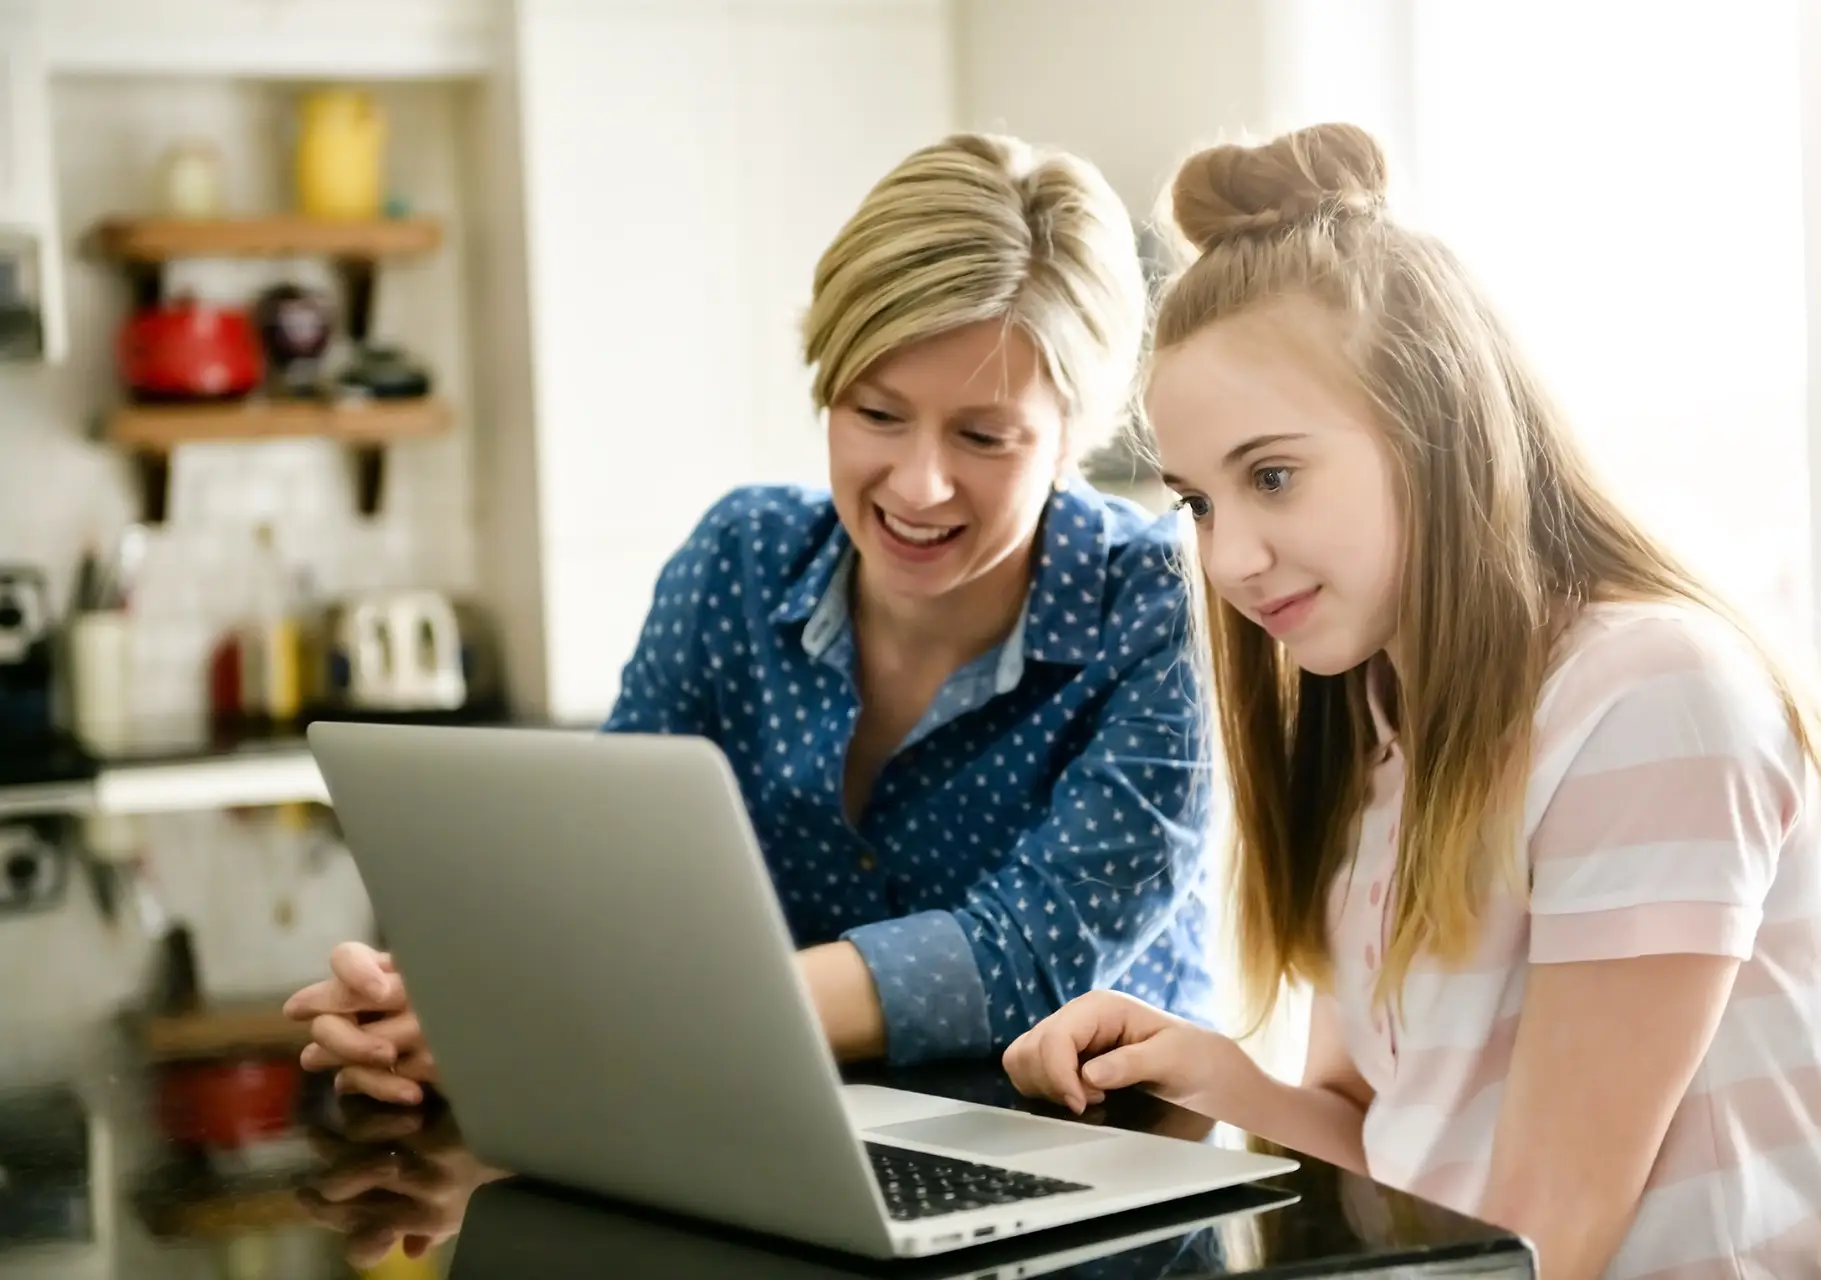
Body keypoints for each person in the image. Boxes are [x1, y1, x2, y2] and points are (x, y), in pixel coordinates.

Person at [1002, 122, 1821, 1278]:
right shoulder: (1377, 724)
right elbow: (1410, 1164)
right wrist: (1221, 1077)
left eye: (1272, 475)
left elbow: (1544, 1234)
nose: (1227, 561)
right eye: (1200, 502)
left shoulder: (1650, 697)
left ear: (1436, 426)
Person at [286, 132, 1216, 1103]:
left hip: (1112, 1164)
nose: (919, 482)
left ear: (1076, 431)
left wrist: (560, 1016)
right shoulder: (740, 559)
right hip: (788, 1135)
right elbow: (612, 869)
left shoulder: (1163, 604)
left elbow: (1026, 951)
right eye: (877, 413)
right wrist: (456, 998)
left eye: (983, 435)